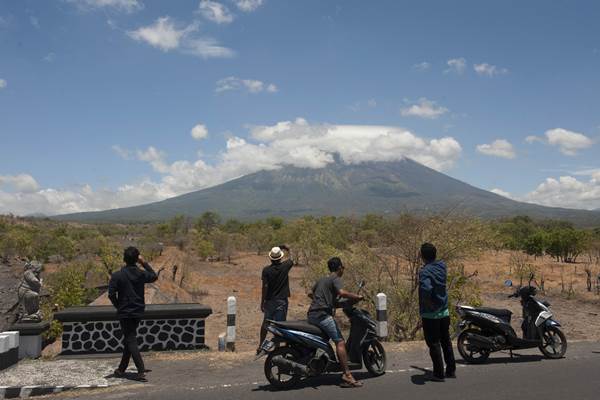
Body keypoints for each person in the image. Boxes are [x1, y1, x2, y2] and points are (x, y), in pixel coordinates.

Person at [307, 257, 364, 388]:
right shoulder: (335, 278)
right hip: (322, 315)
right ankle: (347, 375)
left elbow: (310, 293)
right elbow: (342, 293)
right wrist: (357, 296)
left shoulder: (322, 279)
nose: (343, 269)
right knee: (340, 341)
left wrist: (324, 301)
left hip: (312, 314)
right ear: (339, 268)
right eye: (343, 267)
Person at [108, 247, 158, 382]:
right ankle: (121, 369)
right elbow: (154, 276)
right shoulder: (140, 274)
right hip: (138, 311)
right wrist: (144, 262)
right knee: (129, 340)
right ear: (137, 259)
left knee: (130, 339)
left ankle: (140, 370)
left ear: (124, 259)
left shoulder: (117, 275)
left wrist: (119, 306)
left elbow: (111, 294)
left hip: (125, 312)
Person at [418, 242, 456, 382]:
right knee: (446, 340)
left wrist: (428, 304)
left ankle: (439, 374)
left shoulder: (425, 271)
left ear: (422, 256)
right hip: (444, 311)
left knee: (434, 343)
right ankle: (451, 370)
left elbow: (426, 289)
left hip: (431, 314)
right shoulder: (442, 265)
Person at [258, 245, 293, 353]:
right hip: (281, 301)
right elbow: (292, 259)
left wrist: (262, 301)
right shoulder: (285, 266)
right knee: (280, 325)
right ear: (280, 257)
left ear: (270, 258)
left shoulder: (266, 270)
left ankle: (260, 345)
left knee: (266, 323)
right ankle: (278, 348)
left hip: (269, 301)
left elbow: (265, 287)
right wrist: (286, 248)